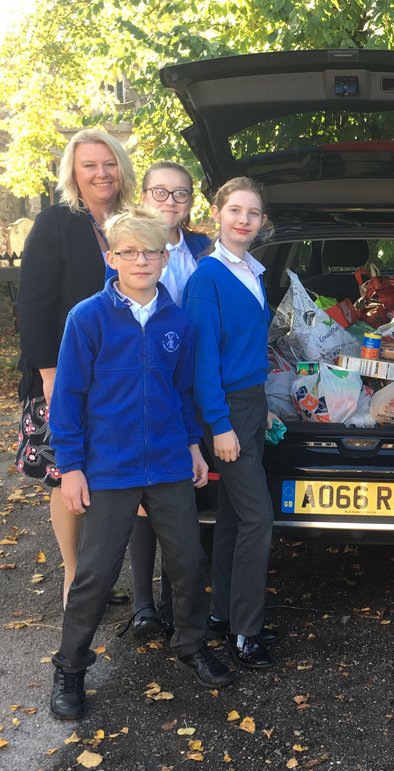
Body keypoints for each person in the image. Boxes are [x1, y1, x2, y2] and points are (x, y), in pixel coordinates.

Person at [48, 207, 233, 720]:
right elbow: (68, 398)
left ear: (166, 256)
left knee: (189, 562)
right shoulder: (88, 318)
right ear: (112, 258)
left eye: (151, 251)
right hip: (109, 467)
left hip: (171, 463)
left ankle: (191, 644)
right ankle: (70, 668)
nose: (141, 260)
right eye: (129, 251)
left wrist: (194, 445)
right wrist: (72, 466)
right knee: (96, 573)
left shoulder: (177, 319)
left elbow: (181, 391)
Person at [16, 128, 135, 609]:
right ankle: (73, 581)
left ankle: (95, 577)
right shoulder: (57, 223)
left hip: (120, 377)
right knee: (67, 476)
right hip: (63, 374)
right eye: (90, 165)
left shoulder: (131, 221)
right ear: (74, 173)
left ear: (121, 168)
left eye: (109, 163)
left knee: (103, 476)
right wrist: (49, 375)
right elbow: (35, 303)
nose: (101, 173)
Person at [183, 177, 276, 669]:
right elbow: (203, 364)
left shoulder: (252, 272)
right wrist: (219, 425)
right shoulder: (208, 278)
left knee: (235, 517)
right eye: (235, 210)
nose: (244, 220)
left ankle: (223, 613)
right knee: (259, 517)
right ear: (216, 213)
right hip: (226, 411)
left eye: (253, 213)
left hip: (251, 404)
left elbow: (245, 351)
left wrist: (263, 405)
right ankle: (247, 633)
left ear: (262, 222)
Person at [125, 161, 211, 639]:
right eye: (161, 192)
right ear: (144, 195)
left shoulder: (205, 248)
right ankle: (142, 606)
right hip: (147, 383)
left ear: (191, 201)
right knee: (142, 494)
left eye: (180, 194)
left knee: (180, 491)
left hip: (192, 383)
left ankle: (172, 601)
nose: (171, 202)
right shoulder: (129, 246)